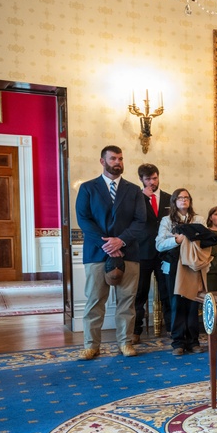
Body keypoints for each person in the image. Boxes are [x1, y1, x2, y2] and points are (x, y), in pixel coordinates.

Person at [75, 145, 147, 359]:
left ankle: (125, 342)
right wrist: (107, 244)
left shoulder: (134, 190)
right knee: (95, 300)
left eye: (121, 159)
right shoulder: (88, 188)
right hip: (97, 253)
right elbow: (83, 220)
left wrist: (121, 241)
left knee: (127, 301)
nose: (118, 162)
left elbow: (140, 221)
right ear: (102, 161)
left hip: (129, 253)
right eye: (113, 158)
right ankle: (91, 345)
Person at [155, 188, 216, 356]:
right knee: (176, 304)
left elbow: (205, 240)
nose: (184, 200)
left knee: (192, 304)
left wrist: (190, 237)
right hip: (173, 267)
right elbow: (159, 244)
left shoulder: (198, 219)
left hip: (193, 267)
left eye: (186, 198)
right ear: (174, 201)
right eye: (180, 198)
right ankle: (178, 342)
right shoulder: (167, 220)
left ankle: (193, 341)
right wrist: (177, 239)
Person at [131, 163, 171, 345]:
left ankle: (172, 328)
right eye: (148, 179)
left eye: (155, 178)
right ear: (141, 179)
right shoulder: (134, 198)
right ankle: (135, 331)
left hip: (165, 253)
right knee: (140, 293)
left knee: (167, 292)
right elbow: (129, 220)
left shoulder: (170, 199)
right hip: (143, 252)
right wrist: (140, 198)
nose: (152, 182)